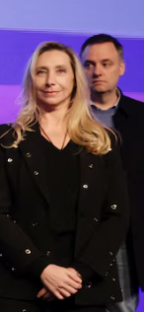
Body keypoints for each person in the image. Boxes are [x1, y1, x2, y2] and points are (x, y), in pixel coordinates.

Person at [0, 41, 129, 311]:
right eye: (41, 72)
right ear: (31, 80)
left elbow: (116, 215)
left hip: (83, 287)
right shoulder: (6, 139)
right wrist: (42, 269)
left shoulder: (102, 142)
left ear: (74, 79)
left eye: (60, 71)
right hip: (17, 287)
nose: (51, 80)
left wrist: (76, 275)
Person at [80, 34, 144, 312]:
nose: (97, 71)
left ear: (121, 67)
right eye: (89, 64)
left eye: (106, 63)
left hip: (128, 239)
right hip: (76, 239)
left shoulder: (140, 117)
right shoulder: (64, 118)